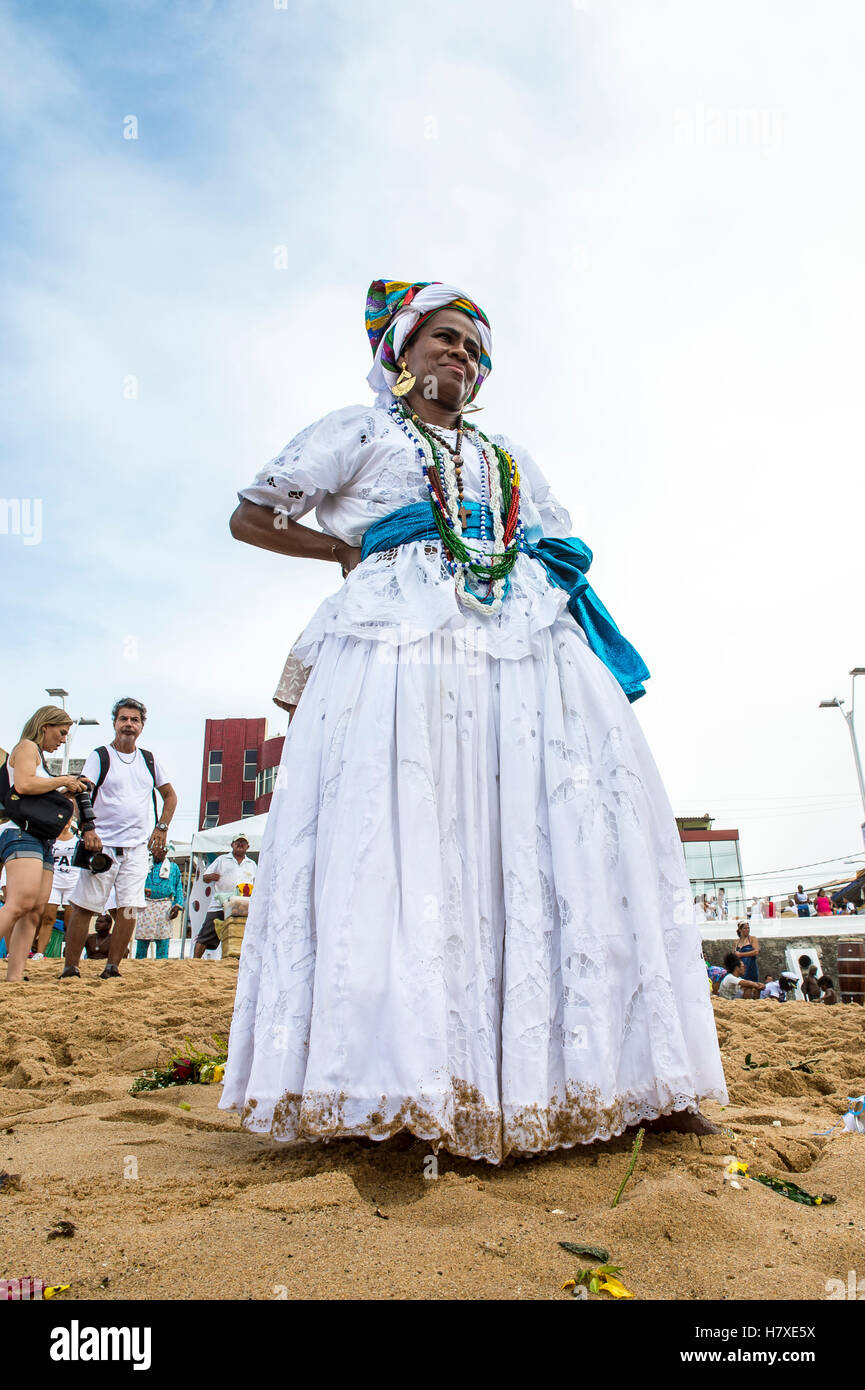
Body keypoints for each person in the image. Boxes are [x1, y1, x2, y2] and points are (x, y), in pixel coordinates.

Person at [219, 276, 728, 1162]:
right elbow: (252, 516)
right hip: (398, 640)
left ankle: (616, 1074)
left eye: (474, 348)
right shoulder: (364, 430)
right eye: (445, 339)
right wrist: (344, 548)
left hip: (525, 641)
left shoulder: (508, 453)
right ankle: (400, 1077)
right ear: (402, 353)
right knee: (409, 829)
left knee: (562, 826)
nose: (461, 355)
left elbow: (561, 543)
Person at [60, 698, 176, 980]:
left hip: (136, 847)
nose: (128, 724)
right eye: (123, 719)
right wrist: (87, 829)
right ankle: (71, 967)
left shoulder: (149, 759)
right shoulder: (100, 756)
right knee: (85, 906)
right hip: (102, 845)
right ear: (115, 723)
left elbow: (170, 795)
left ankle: (112, 967)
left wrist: (161, 827)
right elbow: (82, 790)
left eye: (134, 720)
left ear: (142, 726)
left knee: (129, 907)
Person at [0, 707, 87, 983]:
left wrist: (64, 790)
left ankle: (15, 975)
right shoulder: (26, 747)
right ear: (45, 726)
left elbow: (35, 794)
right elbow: (24, 785)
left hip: (41, 837)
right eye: (62, 733)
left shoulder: (40, 759)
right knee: (19, 902)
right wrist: (62, 780)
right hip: (20, 832)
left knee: (36, 908)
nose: (63, 740)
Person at [194, 833, 256, 959]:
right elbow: (205, 877)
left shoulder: (252, 864)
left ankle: (235, 961)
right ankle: (194, 961)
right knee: (206, 933)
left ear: (247, 846)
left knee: (238, 934)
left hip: (241, 906)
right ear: (232, 845)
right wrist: (211, 876)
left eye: (243, 843)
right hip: (220, 904)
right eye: (237, 842)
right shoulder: (221, 860)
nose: (240, 844)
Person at [34, 815, 79, 955]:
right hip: (53, 881)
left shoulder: (78, 840)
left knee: (70, 922)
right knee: (48, 918)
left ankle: (71, 954)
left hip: (72, 882)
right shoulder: (49, 839)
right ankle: (40, 953)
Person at [135, 847, 184, 959]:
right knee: (142, 938)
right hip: (145, 904)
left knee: (163, 938)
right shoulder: (144, 864)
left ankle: (162, 963)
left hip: (165, 905)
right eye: (156, 851)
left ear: (166, 852)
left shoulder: (173, 867)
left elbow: (178, 888)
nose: (158, 854)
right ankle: (139, 962)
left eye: (162, 852)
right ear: (152, 851)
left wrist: (177, 905)